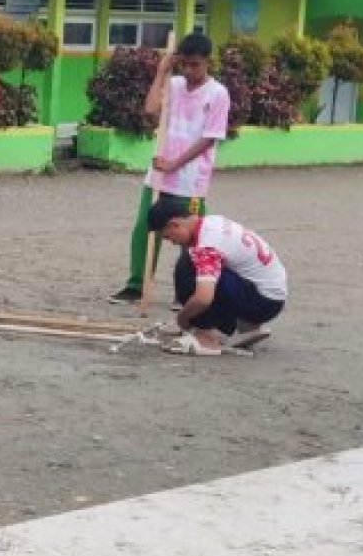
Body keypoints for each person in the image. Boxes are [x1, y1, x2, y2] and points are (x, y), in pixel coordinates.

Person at [109, 34, 231, 305]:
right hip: (159, 176)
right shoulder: (174, 85)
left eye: (195, 65)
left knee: (190, 237)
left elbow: (209, 139)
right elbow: (151, 110)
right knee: (145, 228)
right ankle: (137, 285)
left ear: (207, 62)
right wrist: (161, 71)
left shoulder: (217, 93)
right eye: (184, 65)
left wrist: (175, 164)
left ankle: (186, 291)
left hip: (191, 181)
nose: (189, 71)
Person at [151, 200, 287, 356]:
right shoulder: (214, 221)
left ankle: (206, 338)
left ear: (175, 225)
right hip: (272, 297)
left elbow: (203, 298)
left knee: (187, 266)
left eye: (168, 237)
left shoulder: (207, 245)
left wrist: (182, 319)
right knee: (204, 268)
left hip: (261, 301)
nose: (172, 243)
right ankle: (245, 325)